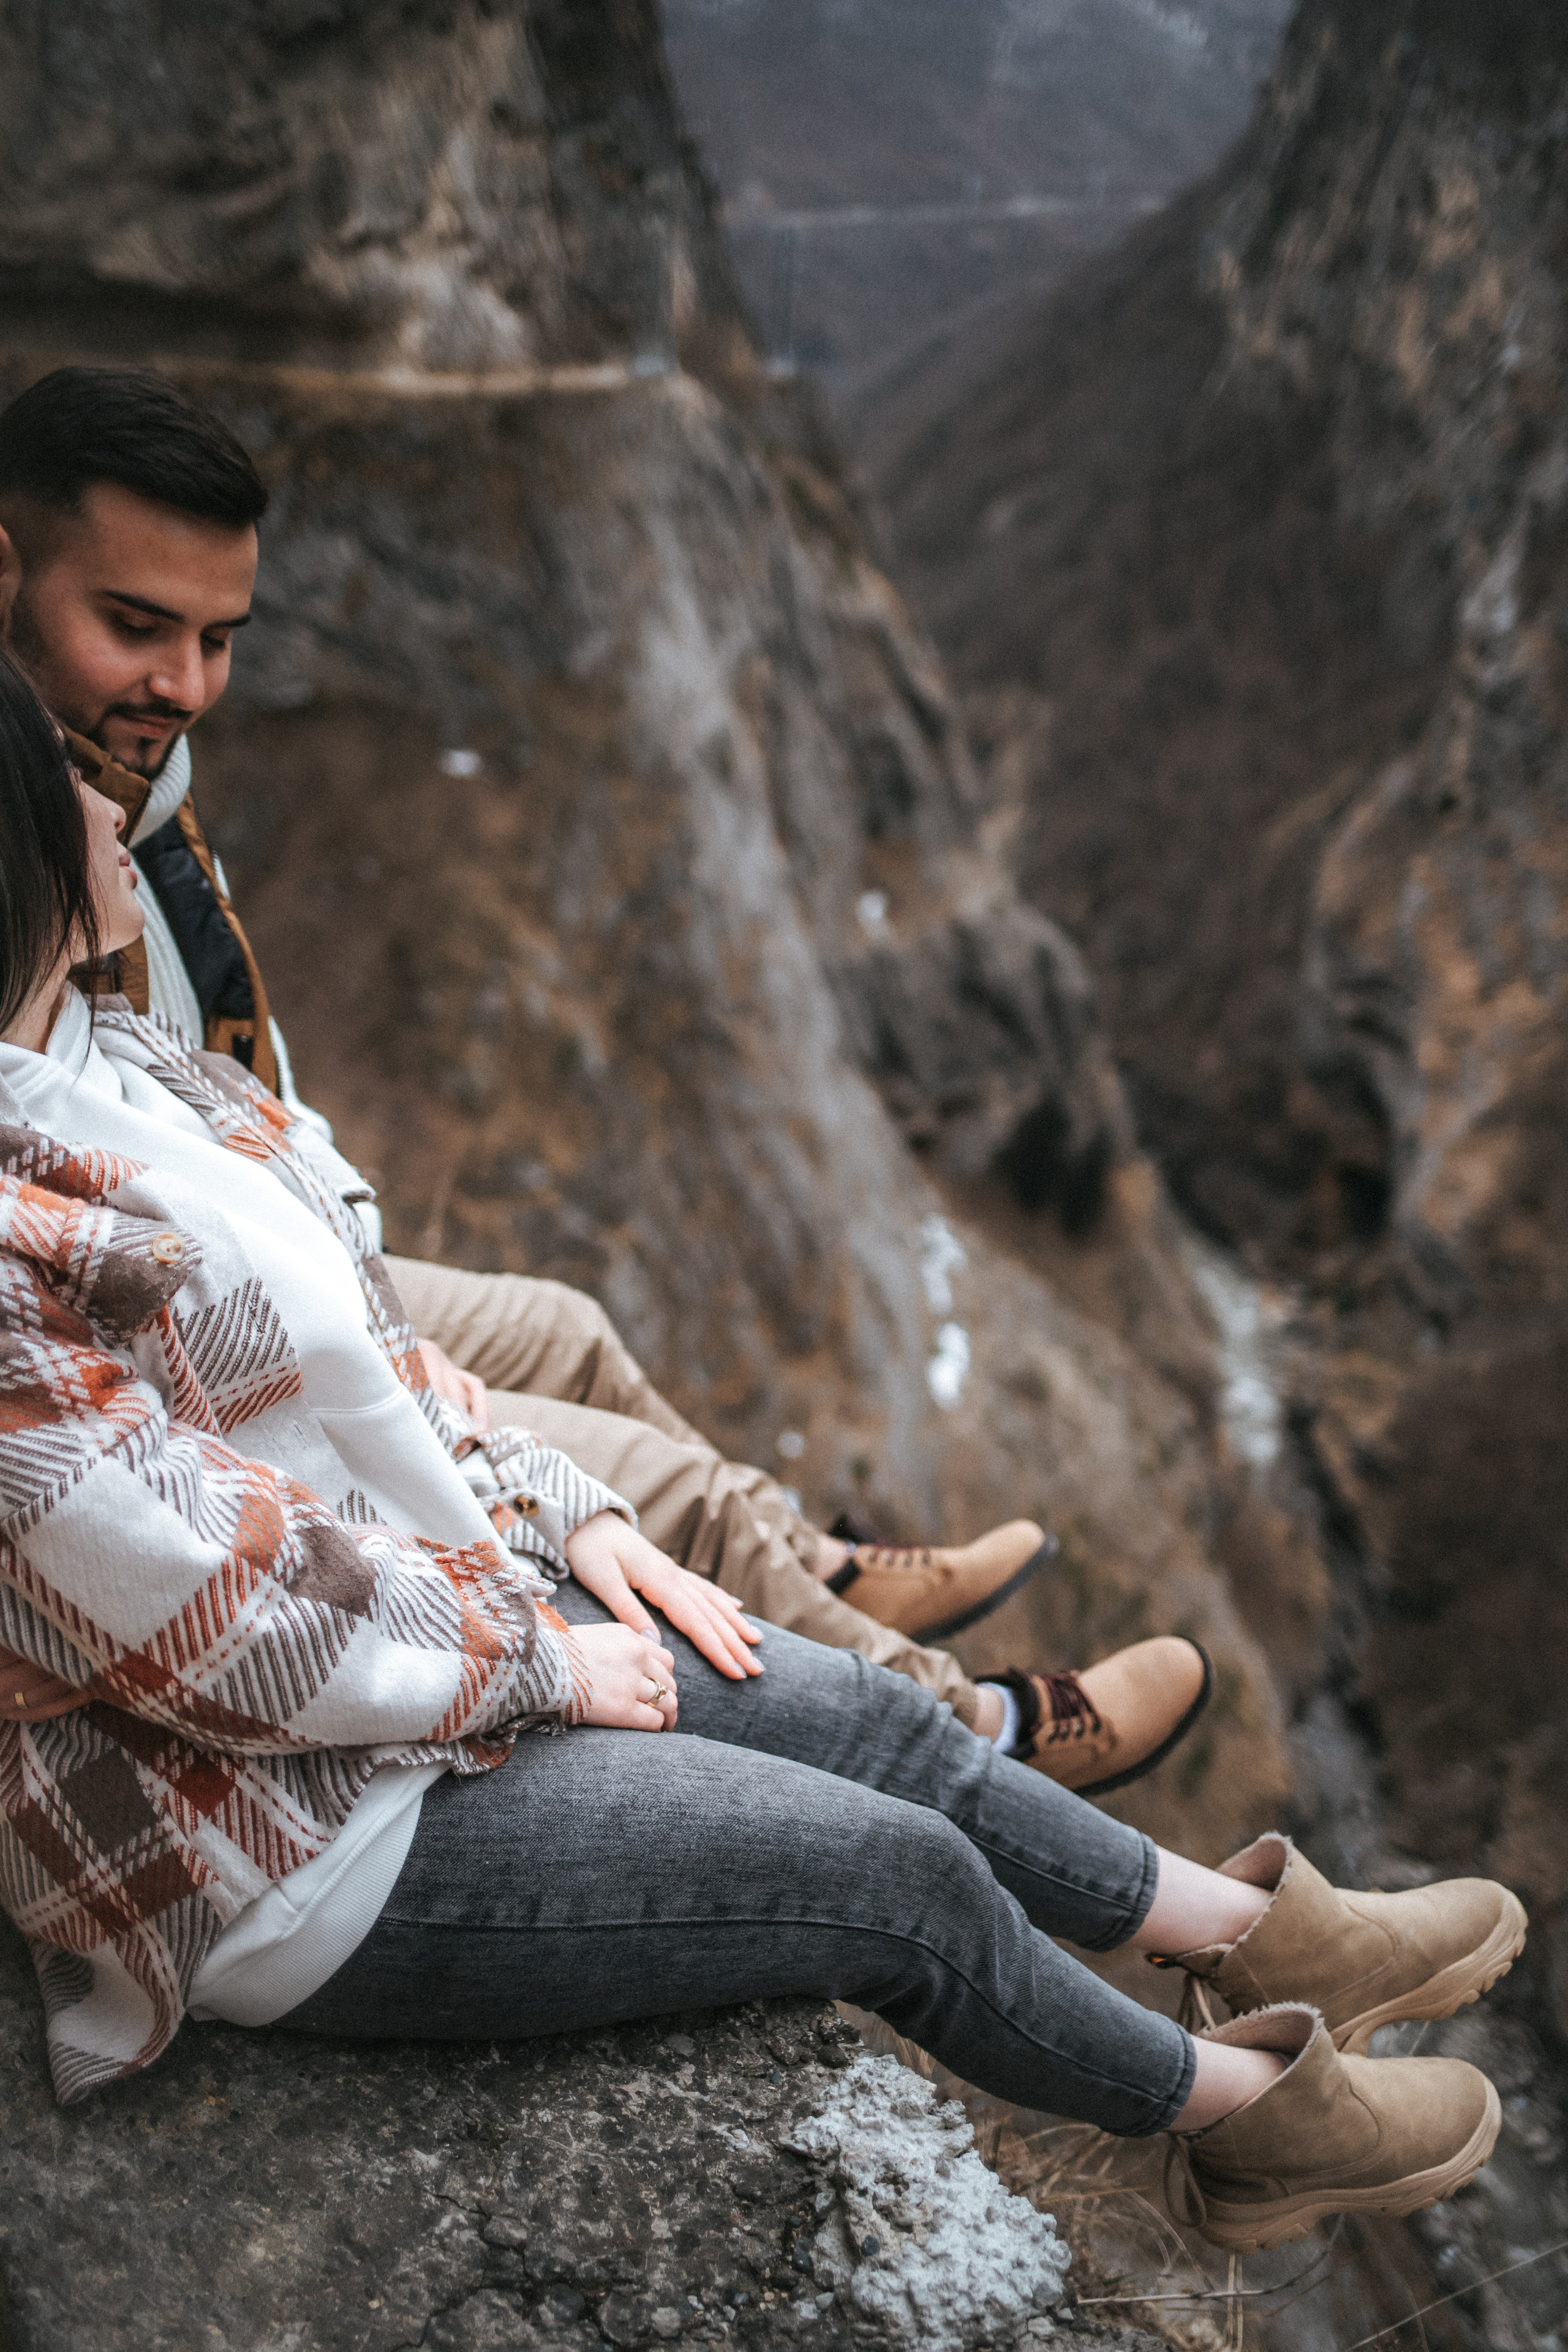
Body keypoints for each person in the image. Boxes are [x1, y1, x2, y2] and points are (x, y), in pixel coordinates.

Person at [0, 656, 1527, 2251]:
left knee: (874, 1715)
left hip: (420, 1652)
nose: (118, 793)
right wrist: (538, 1656)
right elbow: (199, 1605)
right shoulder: (15, 1241)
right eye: (62, 773)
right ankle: (1245, 2121)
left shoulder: (126, 1071)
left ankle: (1248, 1933)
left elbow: (371, 1366)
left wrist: (568, 1515)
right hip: (276, 1845)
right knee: (897, 1885)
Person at [0, 362, 1211, 1791]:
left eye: (216, 639)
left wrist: (343, 1256)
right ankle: (972, 1732)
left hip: (217, 1237)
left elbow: (216, 1092)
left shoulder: (124, 795)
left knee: (558, 1330)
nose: (186, 687)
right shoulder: (43, 837)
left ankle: (803, 1561)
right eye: (136, 627)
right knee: (627, 1483)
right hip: (149, 1328)